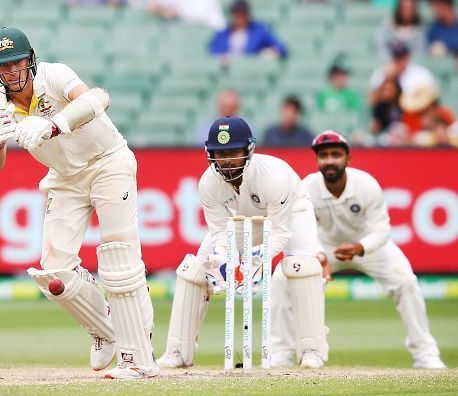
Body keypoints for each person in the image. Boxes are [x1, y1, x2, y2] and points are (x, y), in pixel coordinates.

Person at [0, 27, 157, 379]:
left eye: (17, 62)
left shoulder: (54, 75)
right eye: (4, 66)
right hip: (64, 179)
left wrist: (53, 125)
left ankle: (138, 359)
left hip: (108, 162)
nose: (12, 72)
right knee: (54, 273)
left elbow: (98, 98)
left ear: (29, 60)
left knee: (119, 257)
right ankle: (105, 330)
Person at [157, 116, 328, 369]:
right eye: (219, 153)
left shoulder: (273, 177)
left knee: (301, 268)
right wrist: (227, 262)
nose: (225, 160)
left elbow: (280, 232)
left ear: (249, 150)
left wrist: (254, 262)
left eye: (232, 152)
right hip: (240, 220)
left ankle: (312, 350)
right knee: (197, 269)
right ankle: (177, 351)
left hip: (292, 212)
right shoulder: (208, 184)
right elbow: (219, 234)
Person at [271, 130, 446, 369]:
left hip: (368, 246)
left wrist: (360, 247)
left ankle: (426, 355)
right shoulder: (307, 187)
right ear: (317, 160)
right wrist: (319, 254)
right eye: (324, 155)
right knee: (282, 279)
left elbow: (382, 230)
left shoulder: (365, 184)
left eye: (336, 154)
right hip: (323, 248)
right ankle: (280, 353)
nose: (330, 160)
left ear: (348, 158)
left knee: (405, 282)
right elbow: (300, 230)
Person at [209, 0, 287, 59]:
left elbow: (281, 47)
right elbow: (213, 52)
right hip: (227, 71)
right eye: (237, 14)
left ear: (248, 14)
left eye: (243, 14)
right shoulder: (223, 34)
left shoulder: (259, 31)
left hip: (251, 73)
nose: (239, 17)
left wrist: (269, 52)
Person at [368, 40, 436, 105]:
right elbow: (372, 101)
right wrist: (388, 78)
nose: (399, 61)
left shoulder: (421, 74)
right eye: (396, 57)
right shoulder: (381, 73)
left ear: (408, 57)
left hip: (414, 113)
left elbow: (431, 98)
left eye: (402, 57)